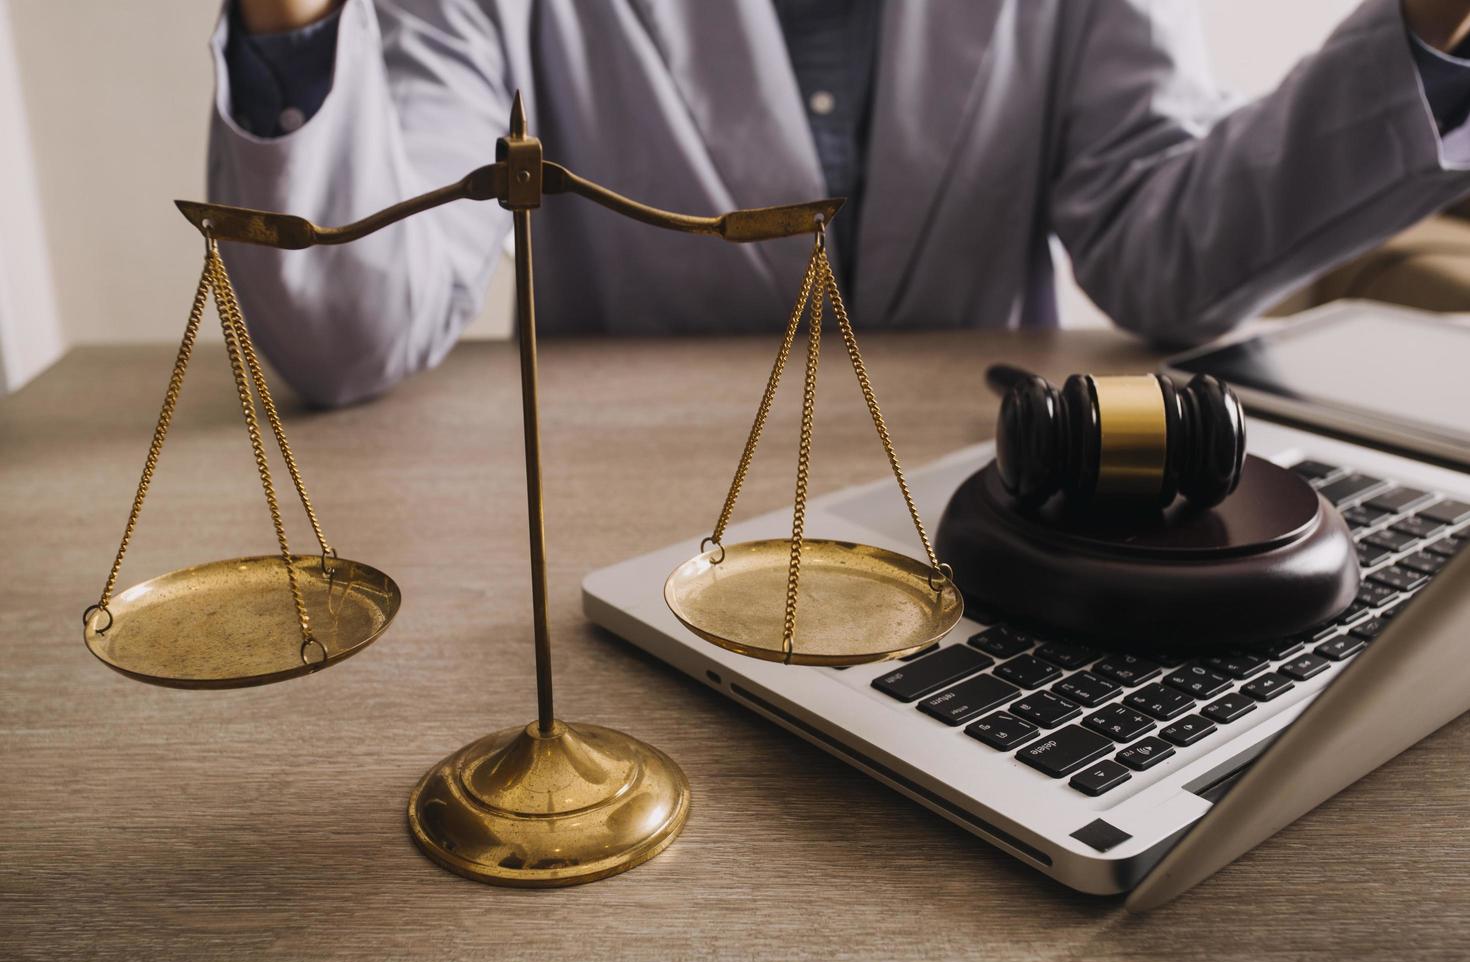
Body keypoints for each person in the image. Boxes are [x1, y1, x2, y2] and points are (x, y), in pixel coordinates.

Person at [210, 0, 1470, 407]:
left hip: (980, 524)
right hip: (612, 568)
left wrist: (1428, 28)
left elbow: (1167, 252)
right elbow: (348, 327)